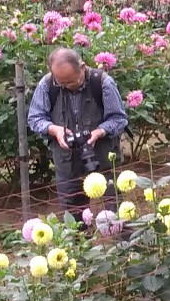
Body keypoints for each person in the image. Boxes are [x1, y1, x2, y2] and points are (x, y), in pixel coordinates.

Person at [25, 47, 127, 212]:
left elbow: (119, 118)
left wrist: (99, 132)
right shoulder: (47, 84)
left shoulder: (102, 82)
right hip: (67, 164)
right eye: (61, 82)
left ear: (83, 67)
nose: (66, 86)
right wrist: (54, 130)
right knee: (74, 220)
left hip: (104, 159)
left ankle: (121, 237)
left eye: (71, 81)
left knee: (116, 211)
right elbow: (35, 118)